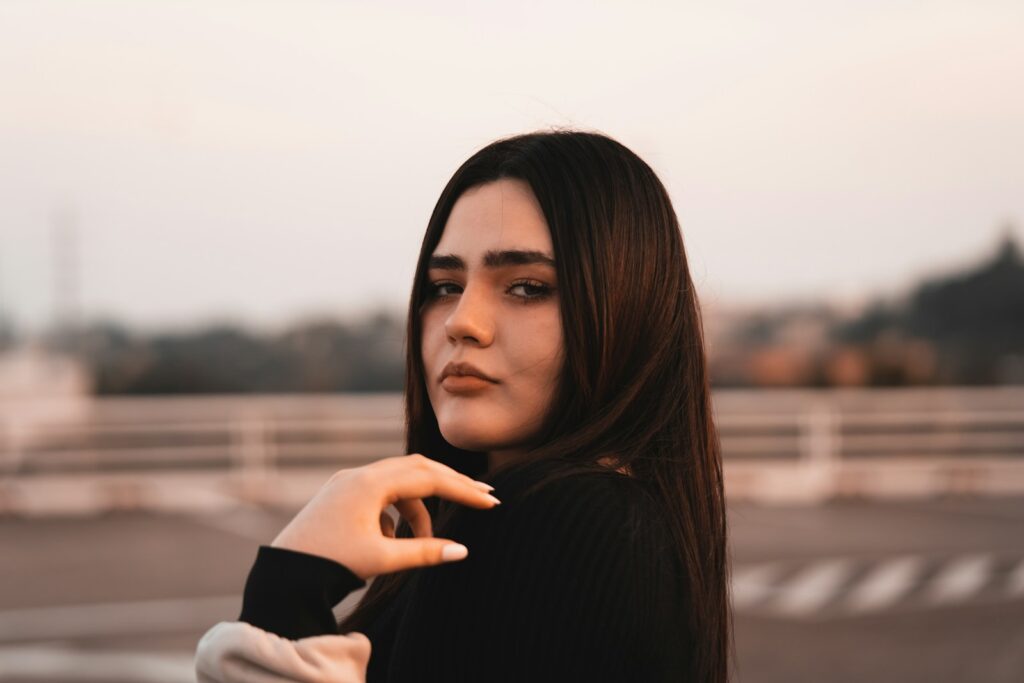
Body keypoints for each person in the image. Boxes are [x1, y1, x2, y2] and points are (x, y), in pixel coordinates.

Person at [194, 129, 732, 682]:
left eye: (527, 287)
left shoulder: (565, 515)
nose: (461, 322)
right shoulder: (584, 516)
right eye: (445, 286)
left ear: (628, 311)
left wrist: (290, 581)